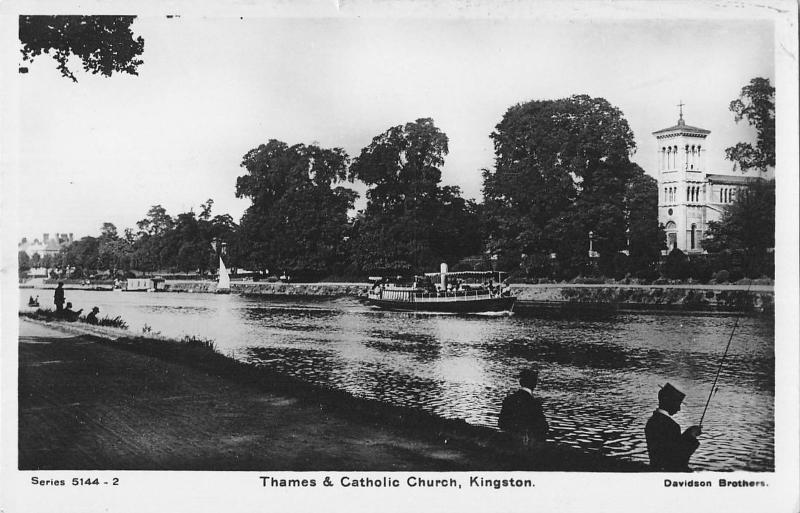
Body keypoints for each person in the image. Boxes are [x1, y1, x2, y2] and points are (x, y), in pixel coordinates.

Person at [645, 383, 702, 472]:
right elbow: (677, 458)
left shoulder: (652, 421)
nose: (679, 409)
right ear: (670, 403)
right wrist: (691, 436)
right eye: (678, 404)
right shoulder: (672, 426)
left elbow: (667, 449)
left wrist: (688, 433)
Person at [498, 367, 549, 445]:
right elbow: (544, 427)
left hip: (508, 441)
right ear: (534, 384)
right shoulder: (534, 403)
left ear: (520, 382)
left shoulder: (509, 399)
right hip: (526, 443)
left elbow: (501, 423)